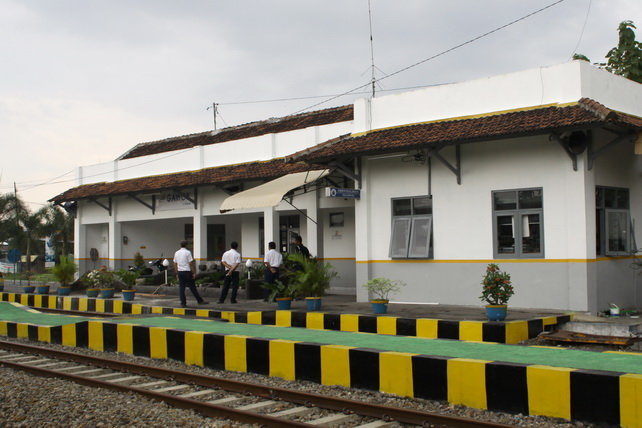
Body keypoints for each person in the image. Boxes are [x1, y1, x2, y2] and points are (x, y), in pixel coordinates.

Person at [173, 240, 208, 308]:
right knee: (192, 287)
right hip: (187, 271)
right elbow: (191, 263)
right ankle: (199, 300)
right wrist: (194, 272)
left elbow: (174, 263)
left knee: (181, 288)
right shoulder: (187, 252)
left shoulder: (176, 253)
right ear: (186, 245)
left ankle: (183, 303)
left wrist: (176, 272)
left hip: (180, 272)